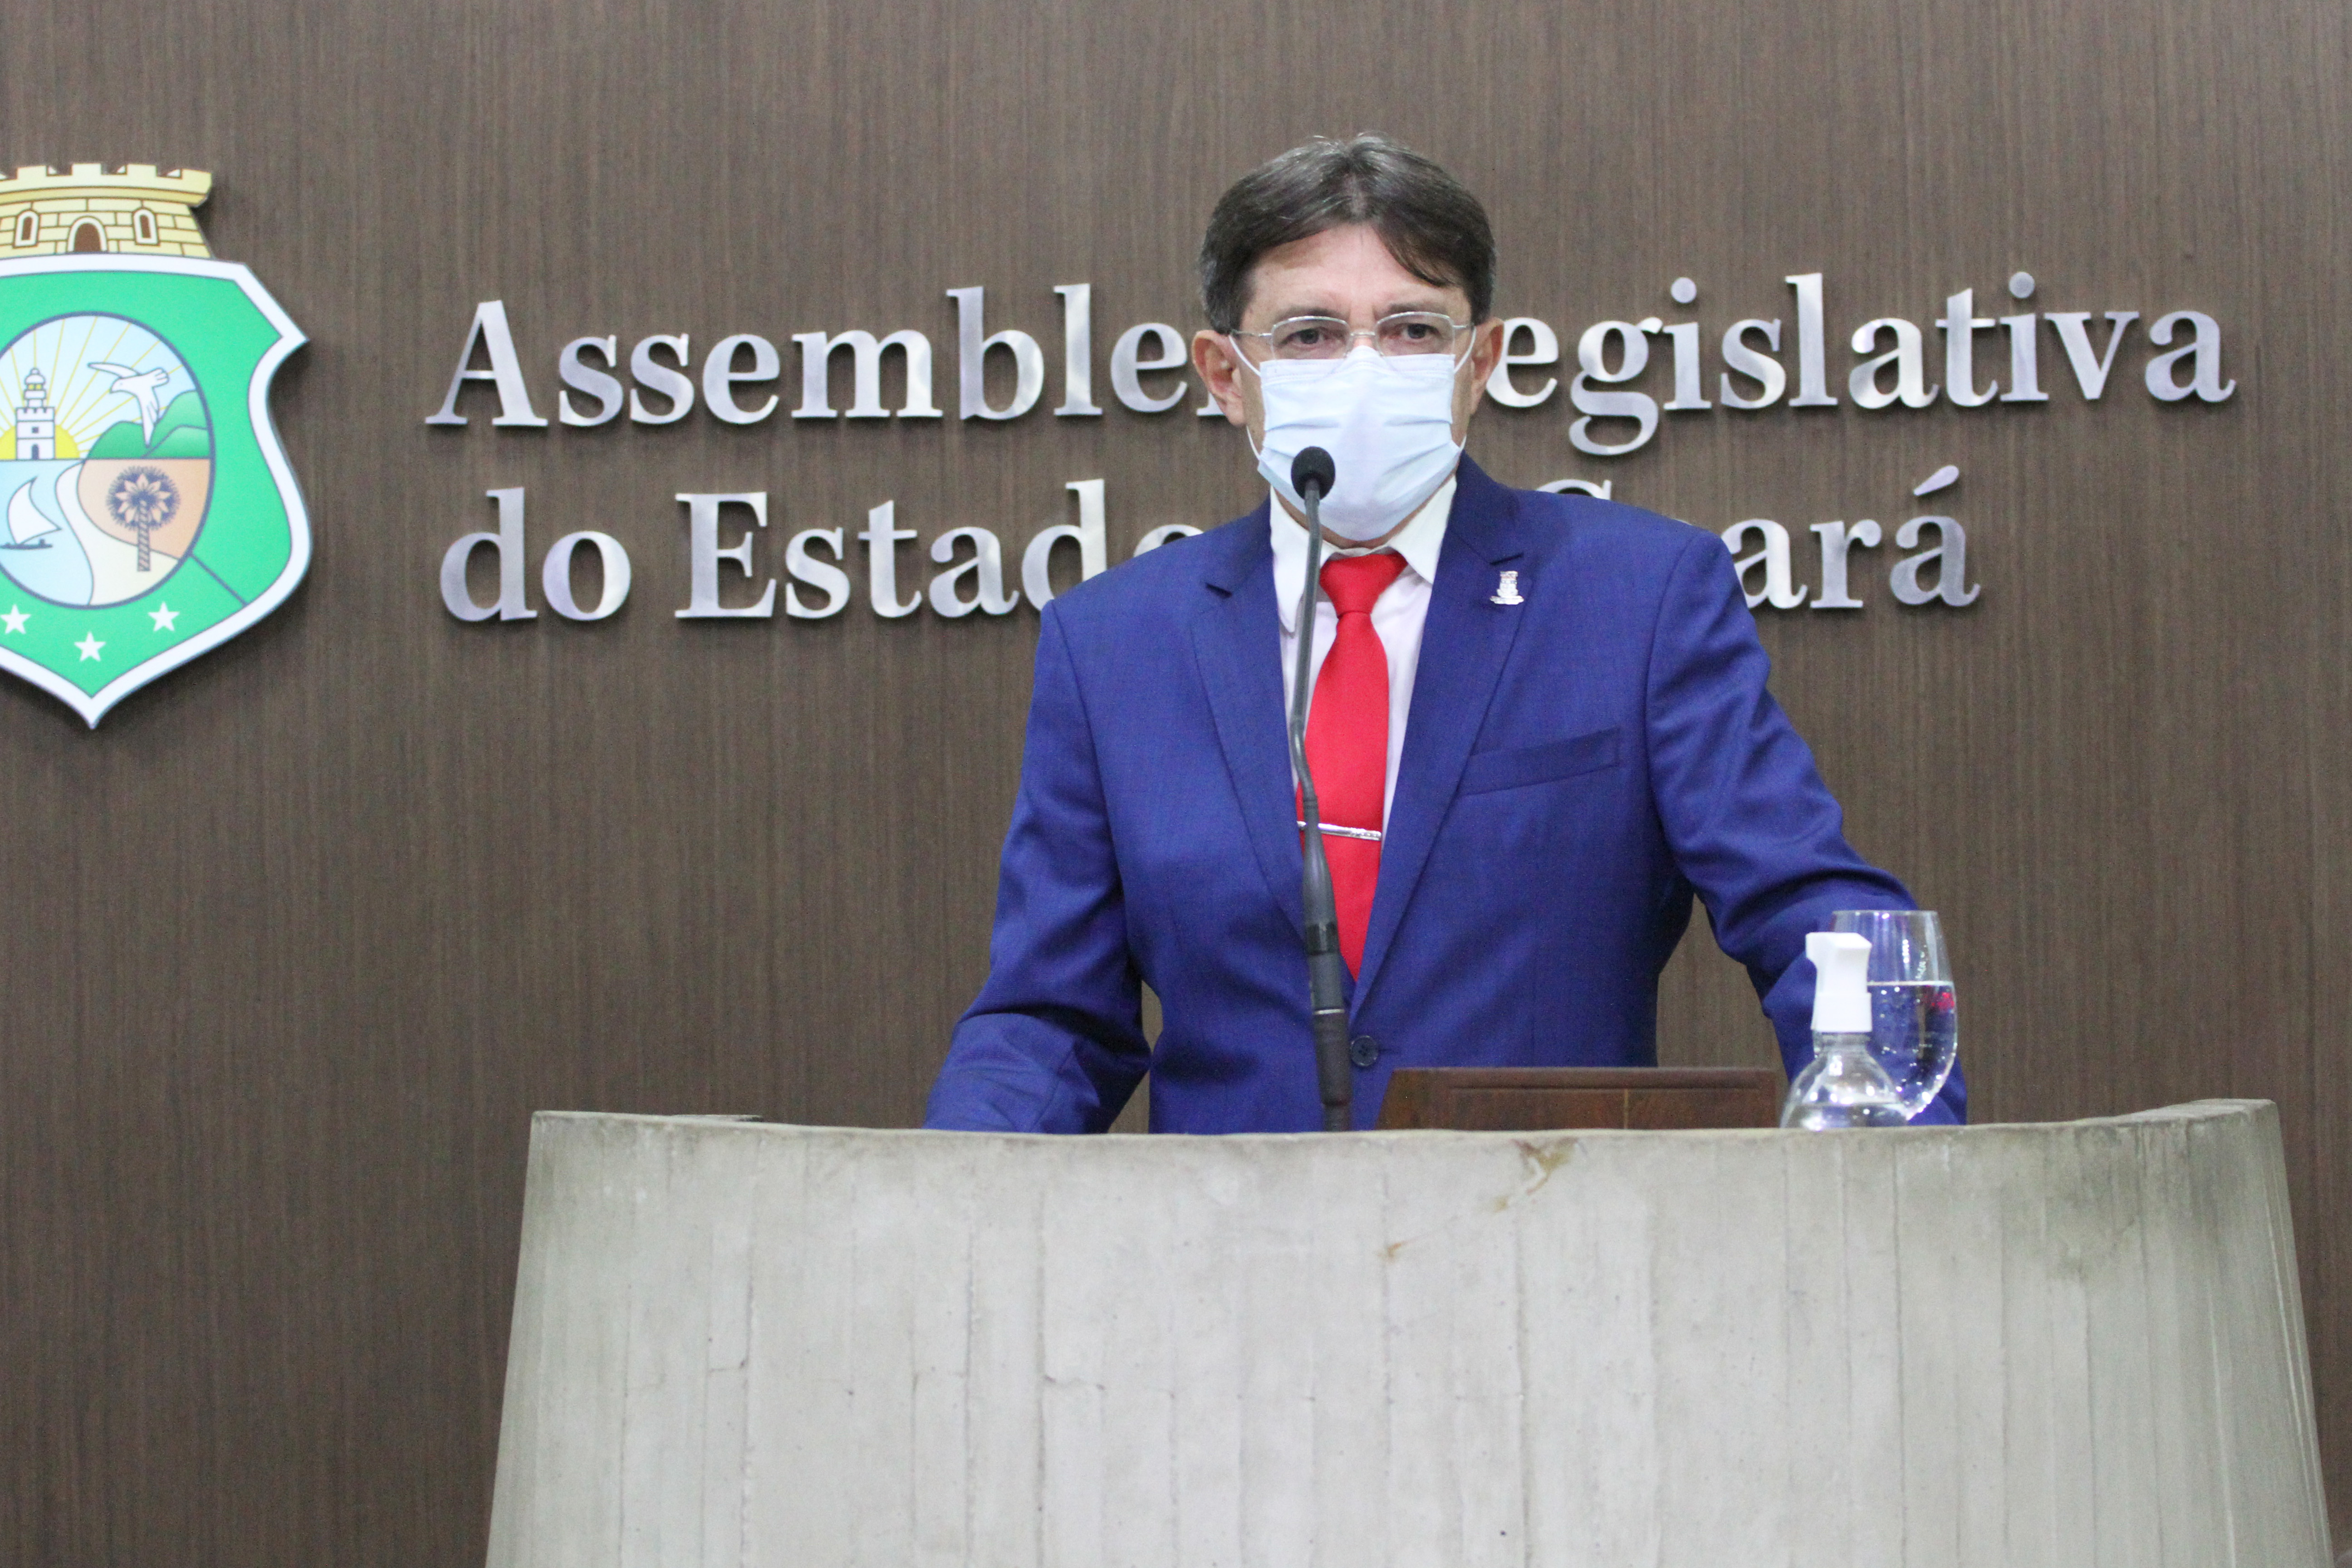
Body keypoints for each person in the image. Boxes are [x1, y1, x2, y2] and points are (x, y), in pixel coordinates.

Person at [925, 133, 1966, 1132]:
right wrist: (947, 1199)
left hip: (1548, 1223)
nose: (1365, 366)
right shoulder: (1113, 644)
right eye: (1311, 334)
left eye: (1414, 330)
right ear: (1225, 373)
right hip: (1231, 1239)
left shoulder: (1640, 599)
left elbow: (1807, 910)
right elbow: (1052, 1020)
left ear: (1481, 362)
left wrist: (1898, 1159)